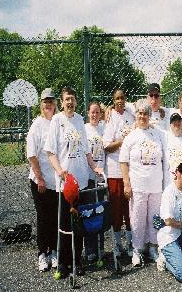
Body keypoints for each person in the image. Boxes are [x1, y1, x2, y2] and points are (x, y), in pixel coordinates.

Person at [44, 86, 99, 278]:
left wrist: (94, 167)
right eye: (67, 99)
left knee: (78, 225)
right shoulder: (57, 121)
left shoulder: (79, 120)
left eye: (73, 99)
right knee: (65, 225)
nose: (70, 102)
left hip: (81, 182)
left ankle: (77, 261)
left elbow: (86, 151)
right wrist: (60, 171)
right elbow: (51, 152)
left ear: (76, 101)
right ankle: (63, 263)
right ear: (62, 102)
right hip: (65, 184)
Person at [120, 100, 165, 267]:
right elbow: (123, 162)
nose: (142, 116)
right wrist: (126, 184)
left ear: (149, 115)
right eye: (139, 113)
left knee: (155, 217)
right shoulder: (131, 137)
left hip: (155, 186)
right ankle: (137, 250)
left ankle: (153, 246)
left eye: (145, 113)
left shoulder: (158, 134)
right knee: (137, 218)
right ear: (136, 115)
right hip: (138, 186)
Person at [27, 88, 58, 272]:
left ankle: (54, 251)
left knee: (55, 217)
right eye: (45, 102)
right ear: (41, 104)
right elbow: (31, 155)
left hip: (55, 182)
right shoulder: (37, 125)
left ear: (55, 104)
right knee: (43, 218)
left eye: (51, 101)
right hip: (40, 181)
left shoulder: (57, 122)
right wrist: (40, 179)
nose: (48, 105)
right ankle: (42, 253)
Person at [103, 88, 135, 257]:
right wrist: (123, 141)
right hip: (115, 171)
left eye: (122, 98)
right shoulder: (110, 118)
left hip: (131, 171)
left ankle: (130, 244)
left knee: (129, 208)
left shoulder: (131, 113)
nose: (120, 101)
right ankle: (117, 245)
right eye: (117, 99)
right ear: (113, 101)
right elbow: (106, 146)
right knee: (116, 210)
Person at [84, 102, 106, 262]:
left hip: (102, 177)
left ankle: (101, 247)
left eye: (97, 112)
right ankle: (90, 248)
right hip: (89, 177)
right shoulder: (84, 129)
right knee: (89, 212)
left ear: (101, 114)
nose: (94, 115)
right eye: (92, 112)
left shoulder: (104, 127)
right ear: (88, 113)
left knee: (101, 212)